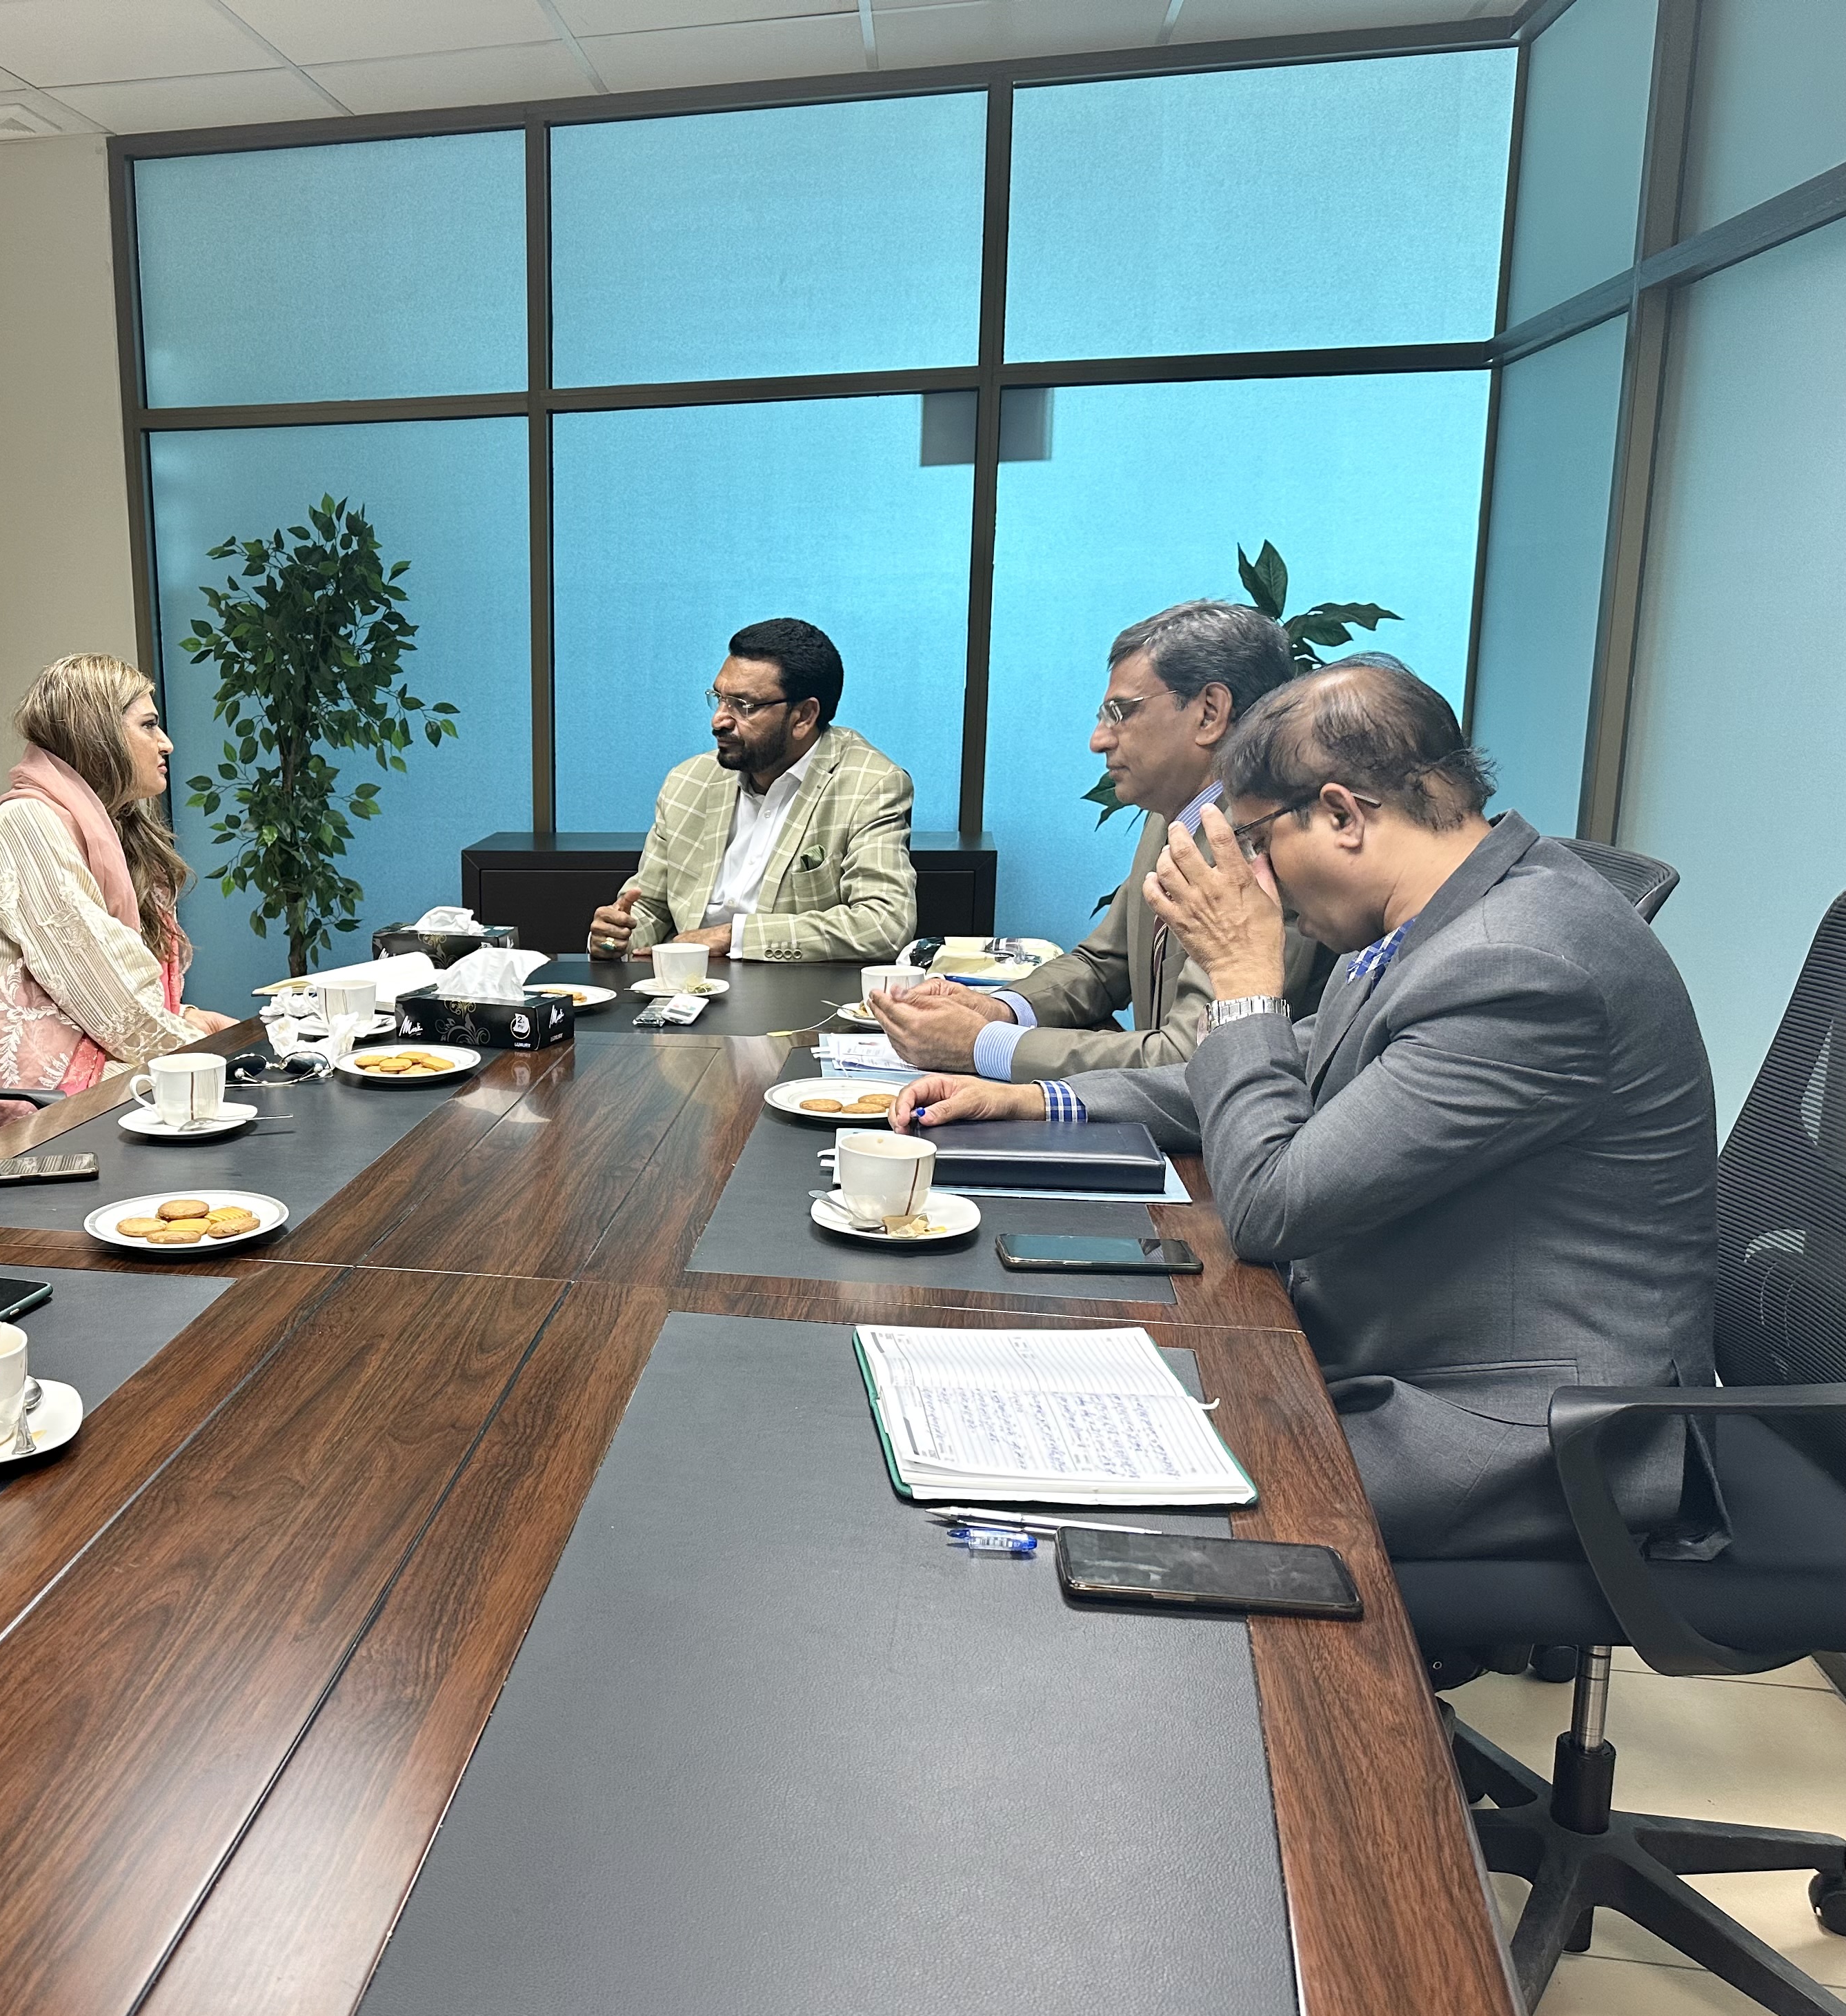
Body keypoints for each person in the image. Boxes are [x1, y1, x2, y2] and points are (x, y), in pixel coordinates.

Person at [887, 658, 1718, 1563]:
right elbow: (1299, 1065)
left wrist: (1245, 980)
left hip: (1520, 1433)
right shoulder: (1445, 912)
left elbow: (1272, 1210)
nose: (1258, 880)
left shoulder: (1520, 964)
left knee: (1059, 1486)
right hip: (1393, 1348)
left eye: (1257, 842)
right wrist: (1036, 1096)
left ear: (1342, 815)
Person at [870, 601, 1331, 1076]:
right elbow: (1103, 963)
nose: (1099, 739)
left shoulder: (1267, 847)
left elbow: (1195, 1058)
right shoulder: (1174, 816)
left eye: (1120, 712)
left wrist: (983, 1046)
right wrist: (998, 1010)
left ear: (1209, 713)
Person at [0, 654, 236, 1152]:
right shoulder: (26, 827)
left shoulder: (110, 826)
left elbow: (113, 983)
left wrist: (190, 1019)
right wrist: (221, 1055)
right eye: (148, 725)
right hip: (26, 1107)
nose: (166, 743)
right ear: (98, 736)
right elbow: (106, 996)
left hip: (88, 1059)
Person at [587, 618, 916, 965]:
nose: (719, 720)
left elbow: (884, 924)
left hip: (789, 989)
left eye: (744, 706)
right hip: (682, 985)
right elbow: (650, 908)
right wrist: (616, 938)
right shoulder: (689, 781)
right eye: (719, 698)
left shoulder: (870, 785)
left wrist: (734, 936)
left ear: (803, 716)